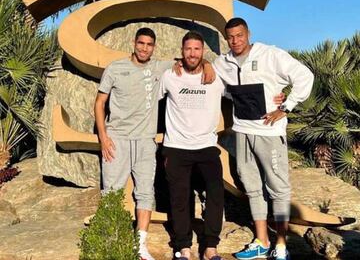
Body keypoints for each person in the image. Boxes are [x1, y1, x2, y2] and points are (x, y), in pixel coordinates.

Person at [94, 27, 215, 260]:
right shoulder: (116, 68)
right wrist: (103, 137)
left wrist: (208, 64)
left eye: (149, 45)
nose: (144, 48)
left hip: (146, 142)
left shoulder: (159, 66)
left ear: (154, 47)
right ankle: (110, 241)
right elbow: (100, 102)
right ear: (134, 43)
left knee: (145, 193)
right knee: (111, 191)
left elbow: (193, 57)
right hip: (117, 139)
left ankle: (140, 245)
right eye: (141, 43)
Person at [213, 18, 314, 260]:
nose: (235, 41)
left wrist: (286, 106)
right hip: (242, 132)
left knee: (278, 190)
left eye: (240, 35)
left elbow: (305, 76)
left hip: (270, 133)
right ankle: (261, 240)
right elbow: (220, 85)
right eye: (231, 37)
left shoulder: (271, 55)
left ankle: (281, 246)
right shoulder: (222, 62)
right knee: (252, 188)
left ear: (248, 33)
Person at [159, 31, 225, 260]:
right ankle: (183, 247)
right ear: (181, 51)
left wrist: (279, 100)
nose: (192, 53)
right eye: (188, 49)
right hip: (176, 147)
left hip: (206, 146)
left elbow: (245, 87)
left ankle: (210, 248)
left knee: (216, 194)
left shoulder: (216, 76)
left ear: (203, 51)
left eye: (197, 49)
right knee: (180, 198)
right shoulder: (170, 76)